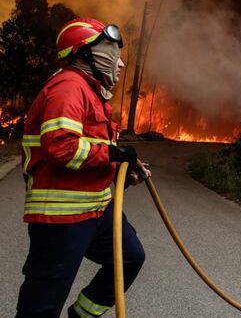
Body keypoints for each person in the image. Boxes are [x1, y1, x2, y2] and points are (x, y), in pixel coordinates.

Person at [16, 18, 152, 318]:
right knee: (42, 305)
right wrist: (113, 152)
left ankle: (81, 315)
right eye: (112, 54)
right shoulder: (68, 86)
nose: (119, 65)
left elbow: (92, 153)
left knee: (129, 257)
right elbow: (61, 147)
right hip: (61, 219)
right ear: (85, 53)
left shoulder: (92, 93)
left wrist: (122, 170)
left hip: (97, 211)